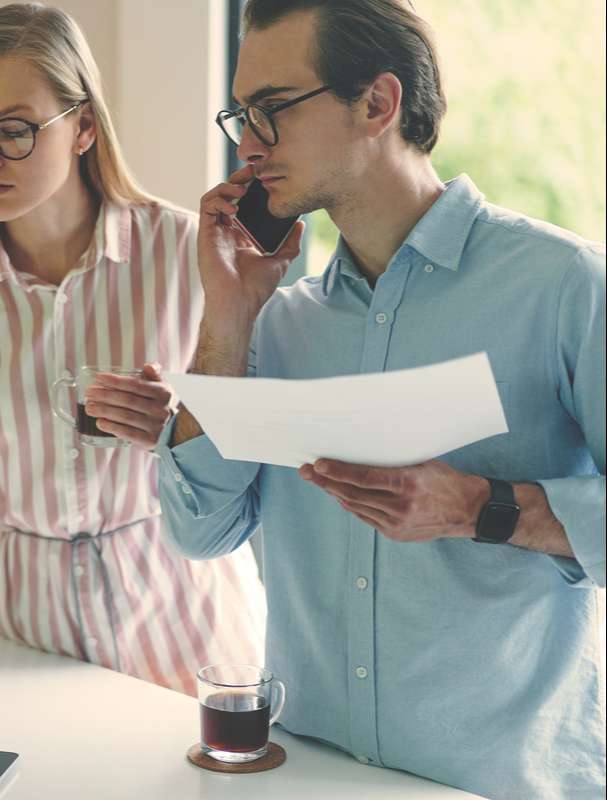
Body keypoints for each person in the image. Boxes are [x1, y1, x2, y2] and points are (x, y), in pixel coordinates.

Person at [157, 0, 606, 796]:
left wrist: (481, 507)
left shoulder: (562, 285)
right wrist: (225, 315)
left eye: (270, 110)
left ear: (377, 103)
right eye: (239, 113)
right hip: (306, 772)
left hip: (498, 781)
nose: (246, 143)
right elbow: (198, 530)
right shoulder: (279, 321)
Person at [0, 3, 265, 694]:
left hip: (187, 620)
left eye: (14, 132)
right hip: (21, 638)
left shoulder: (187, 253)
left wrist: (178, 424)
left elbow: (265, 448)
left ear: (83, 126)